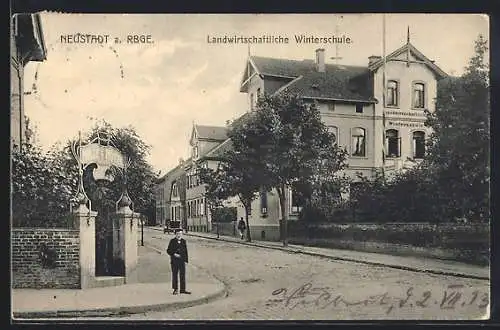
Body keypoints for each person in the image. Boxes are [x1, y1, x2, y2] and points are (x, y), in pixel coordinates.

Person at [166, 228, 191, 295]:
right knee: (175, 275)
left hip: (182, 261)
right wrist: (174, 254)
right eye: (177, 234)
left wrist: (186, 261)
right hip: (174, 261)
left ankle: (183, 289)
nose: (179, 235)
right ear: (175, 234)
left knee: (182, 275)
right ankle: (175, 289)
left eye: (180, 234)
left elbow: (185, 251)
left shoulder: (183, 241)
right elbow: (168, 250)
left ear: (182, 234)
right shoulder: (172, 241)